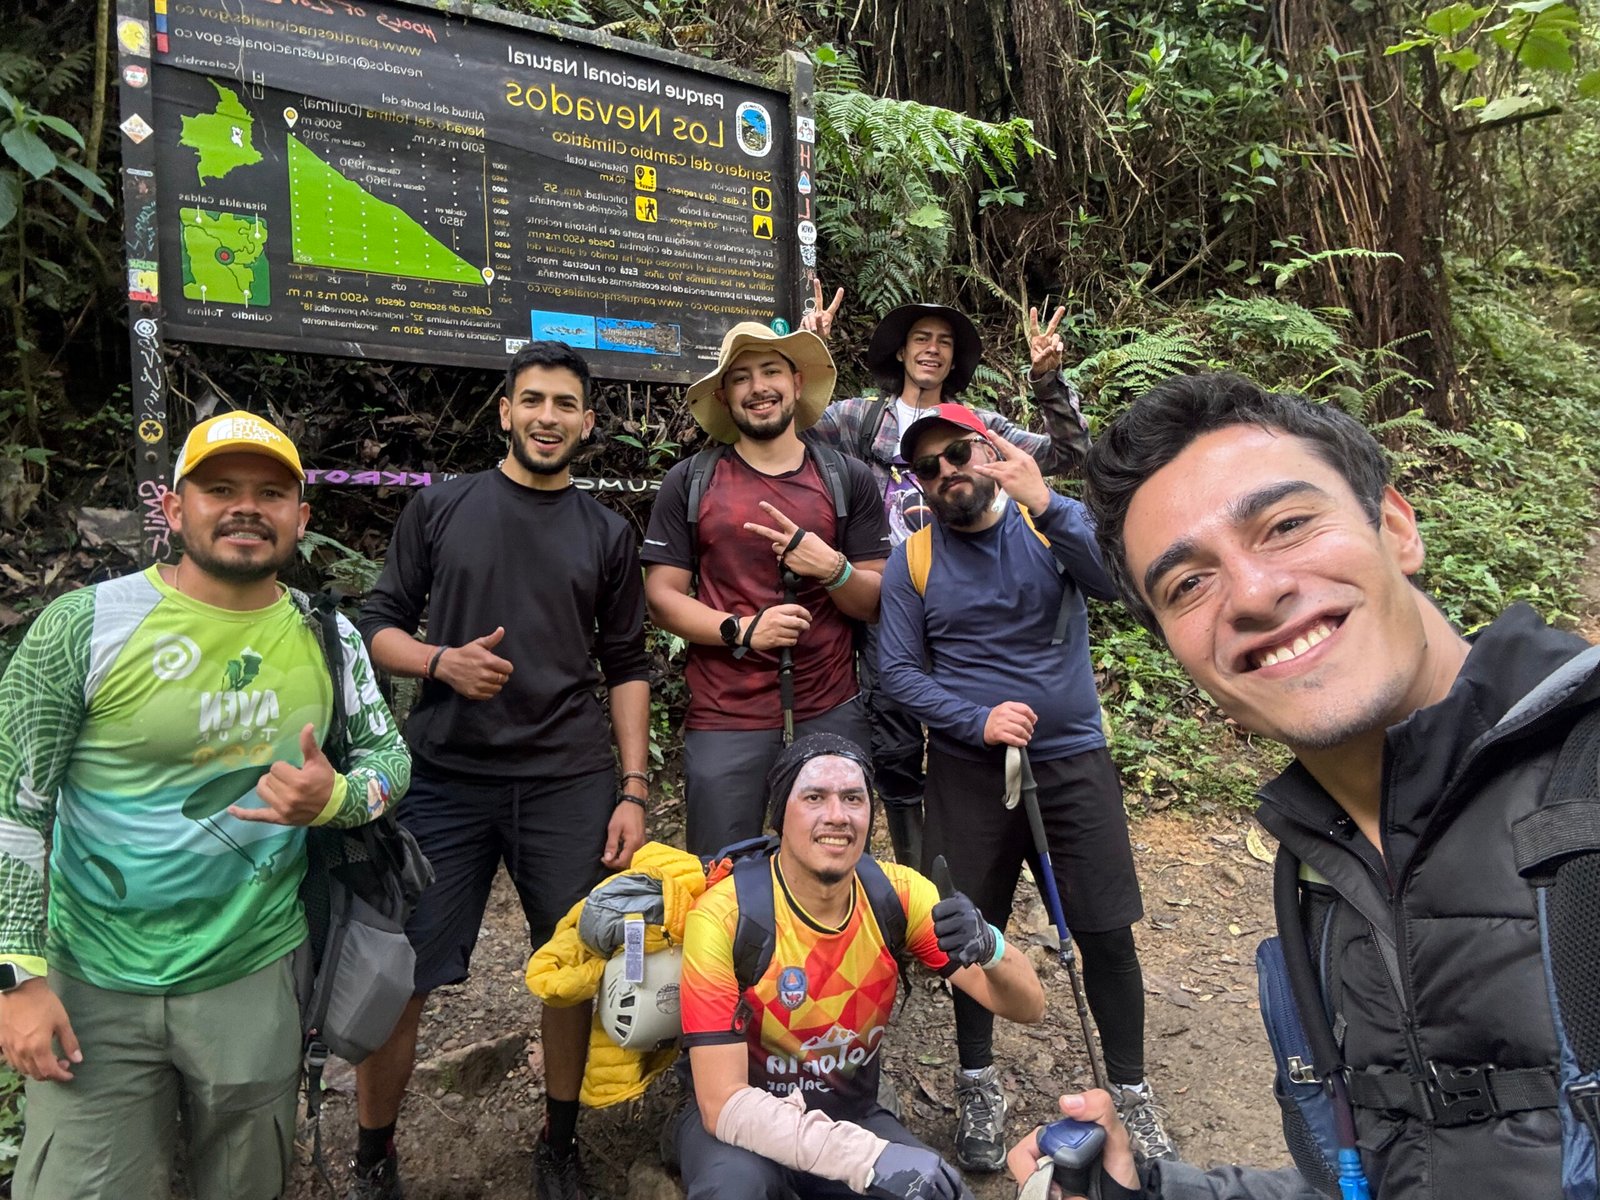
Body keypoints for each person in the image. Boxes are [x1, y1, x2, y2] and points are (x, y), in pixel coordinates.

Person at [1059, 370, 1600, 1198]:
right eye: (1187, 584)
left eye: (1286, 525)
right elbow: (1379, 1179)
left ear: (1395, 525)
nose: (1255, 592)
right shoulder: (1317, 877)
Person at [0, 413, 411, 1200]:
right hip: (91, 978)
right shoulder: (83, 628)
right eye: (220, 488)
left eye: (270, 492)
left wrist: (338, 797)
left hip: (252, 973)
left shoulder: (329, 636)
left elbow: (392, 759)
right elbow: (14, 805)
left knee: (247, 1179)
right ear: (173, 507)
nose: (245, 508)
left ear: (302, 518)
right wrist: (18, 978)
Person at [352, 342, 652, 1200]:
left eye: (565, 404)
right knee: (401, 977)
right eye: (533, 401)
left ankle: (558, 1144)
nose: (548, 417)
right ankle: (375, 1155)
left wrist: (632, 789)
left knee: (569, 971)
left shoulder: (605, 531)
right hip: (444, 776)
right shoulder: (442, 510)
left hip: (569, 780)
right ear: (505, 411)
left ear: (588, 422)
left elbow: (628, 663)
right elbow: (378, 625)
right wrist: (440, 661)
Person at [875, 404, 1175, 1172]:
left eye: (960, 454)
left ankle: (1133, 1093)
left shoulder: (1048, 526)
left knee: (1106, 929)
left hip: (1072, 758)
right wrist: (976, 721)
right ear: (919, 484)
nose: (948, 473)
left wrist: (1048, 500)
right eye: (929, 467)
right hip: (971, 772)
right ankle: (978, 1081)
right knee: (967, 929)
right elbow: (899, 672)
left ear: (989, 455)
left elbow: (1118, 583)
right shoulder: (913, 561)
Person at [673, 732, 1048, 1200]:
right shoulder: (726, 916)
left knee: (941, 1192)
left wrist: (988, 945)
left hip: (848, 1112)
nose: (837, 815)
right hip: (742, 1130)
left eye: (853, 798)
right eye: (814, 797)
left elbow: (1028, 1006)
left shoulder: (899, 896)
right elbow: (721, 1103)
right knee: (735, 1190)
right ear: (780, 816)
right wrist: (869, 1160)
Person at [800, 282, 1091, 869]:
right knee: (897, 740)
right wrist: (809, 354)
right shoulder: (861, 418)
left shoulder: (980, 423)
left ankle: (975, 859)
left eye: (943, 343)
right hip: (889, 596)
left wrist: (1048, 380)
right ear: (902, 354)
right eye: (919, 340)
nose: (931, 350)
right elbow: (794, 429)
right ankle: (916, 875)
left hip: (971, 597)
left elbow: (1070, 452)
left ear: (955, 361)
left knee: (976, 728)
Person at [643, 323, 890, 855]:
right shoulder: (691, 481)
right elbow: (661, 596)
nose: (759, 387)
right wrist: (742, 628)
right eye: (741, 377)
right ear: (725, 396)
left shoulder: (846, 479)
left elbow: (874, 601)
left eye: (771, 371)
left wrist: (832, 568)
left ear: (797, 383)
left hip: (831, 705)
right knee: (722, 878)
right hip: (725, 715)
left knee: (835, 873)